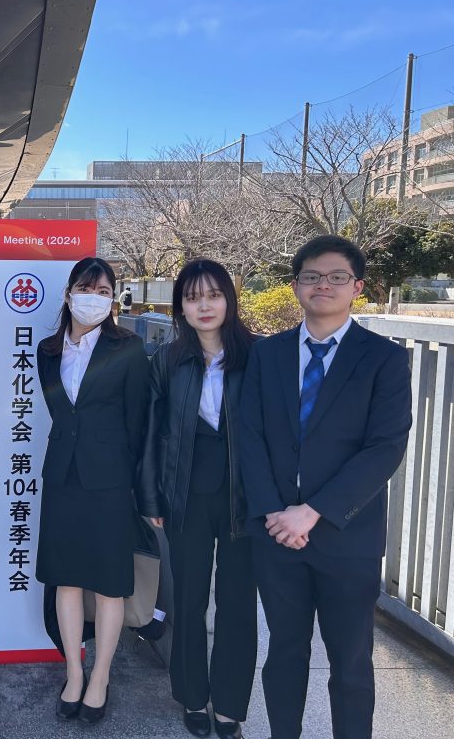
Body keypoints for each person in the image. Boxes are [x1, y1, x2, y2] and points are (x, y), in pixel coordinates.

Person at [240, 235, 412, 739]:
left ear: (357, 287)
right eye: (312, 276)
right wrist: (275, 513)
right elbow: (249, 436)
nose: (323, 285)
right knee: (284, 652)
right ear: (296, 285)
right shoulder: (267, 354)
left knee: (351, 660)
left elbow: (384, 448)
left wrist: (311, 511)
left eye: (337, 277)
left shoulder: (383, 358)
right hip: (277, 534)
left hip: (347, 535)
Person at [140, 258, 257, 739]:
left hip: (246, 499)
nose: (203, 306)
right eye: (192, 298)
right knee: (188, 600)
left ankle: (229, 704)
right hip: (184, 495)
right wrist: (151, 498)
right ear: (180, 308)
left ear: (229, 299)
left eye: (213, 295)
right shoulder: (168, 360)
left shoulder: (258, 356)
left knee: (237, 604)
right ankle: (192, 695)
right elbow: (151, 434)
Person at [35, 256, 151, 725]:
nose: (94, 298)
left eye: (104, 291)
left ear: (113, 299)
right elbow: (60, 412)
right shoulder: (47, 350)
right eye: (86, 288)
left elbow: (139, 422)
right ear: (68, 295)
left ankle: (100, 676)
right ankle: (74, 672)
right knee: (66, 579)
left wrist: (138, 489)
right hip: (62, 475)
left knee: (108, 583)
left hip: (110, 480)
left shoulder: (129, 348)